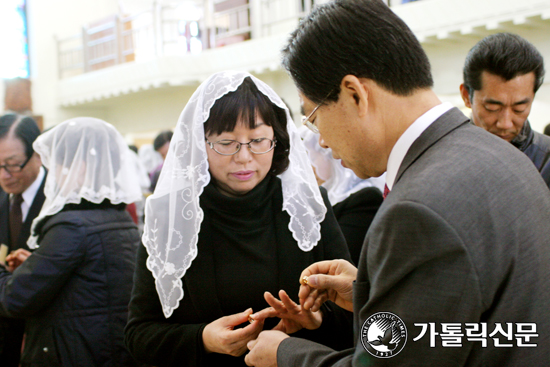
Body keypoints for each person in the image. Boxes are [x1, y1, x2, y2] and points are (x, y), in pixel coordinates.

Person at [245, 1, 550, 366]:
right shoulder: (502, 157)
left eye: (313, 115)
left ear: (355, 94)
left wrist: (286, 354)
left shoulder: (418, 210)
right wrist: (370, 292)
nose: (321, 140)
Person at [124, 71, 353, 367]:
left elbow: (353, 315)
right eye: (226, 142)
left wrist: (316, 320)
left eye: (258, 140)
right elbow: (139, 334)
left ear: (277, 139)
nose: (244, 156)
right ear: (199, 144)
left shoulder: (306, 204)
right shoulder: (171, 216)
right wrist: (203, 339)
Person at [0, 117, 142, 366]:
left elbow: (16, 299)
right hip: (109, 350)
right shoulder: (119, 218)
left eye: (56, 165)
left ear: (81, 167)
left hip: (74, 352)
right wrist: (36, 265)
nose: (52, 174)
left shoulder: (72, 226)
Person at [460, 32, 550, 189]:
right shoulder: (443, 158)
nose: (506, 124)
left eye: (519, 108)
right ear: (467, 96)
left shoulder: (546, 160)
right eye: (492, 108)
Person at [300, 126, 384, 264]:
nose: (307, 167)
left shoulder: (365, 199)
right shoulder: (315, 199)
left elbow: (339, 258)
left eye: (312, 157)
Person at [0, 114, 45, 367]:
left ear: (37, 154)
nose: (4, 175)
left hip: (41, 335)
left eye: (13, 164)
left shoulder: (60, 199)